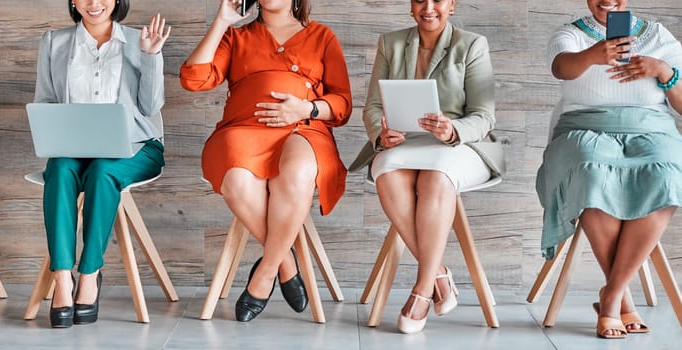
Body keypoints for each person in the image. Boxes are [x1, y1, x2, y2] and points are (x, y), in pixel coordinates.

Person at [180, 0, 352, 322]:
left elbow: (342, 103)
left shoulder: (322, 36)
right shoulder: (236, 37)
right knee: (236, 181)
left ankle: (263, 277)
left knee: (299, 170)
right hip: (243, 130)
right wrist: (222, 21)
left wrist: (306, 109)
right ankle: (284, 262)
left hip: (303, 129)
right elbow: (194, 78)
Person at [349, 0, 504, 334]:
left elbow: (484, 115)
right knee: (385, 170)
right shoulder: (390, 43)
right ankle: (439, 275)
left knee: (436, 178)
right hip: (406, 144)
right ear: (410, 5)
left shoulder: (471, 44)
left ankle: (422, 289)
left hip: (462, 145)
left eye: (438, 0)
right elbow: (373, 106)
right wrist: (381, 132)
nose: (428, 7)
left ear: (452, 5)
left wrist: (453, 129)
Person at [536, 0, 682, 339]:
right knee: (589, 173)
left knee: (668, 175)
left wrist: (663, 72)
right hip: (584, 128)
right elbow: (562, 67)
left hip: (651, 129)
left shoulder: (659, 36)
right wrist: (593, 55)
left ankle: (613, 295)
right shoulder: (570, 34)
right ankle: (620, 299)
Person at [33, 0, 170, 328]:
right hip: (73, 147)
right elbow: (45, 101)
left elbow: (150, 107)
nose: (95, 3)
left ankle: (90, 274)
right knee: (60, 169)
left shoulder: (139, 40)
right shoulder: (54, 42)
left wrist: (151, 56)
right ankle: (63, 278)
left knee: (102, 171)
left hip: (134, 148)